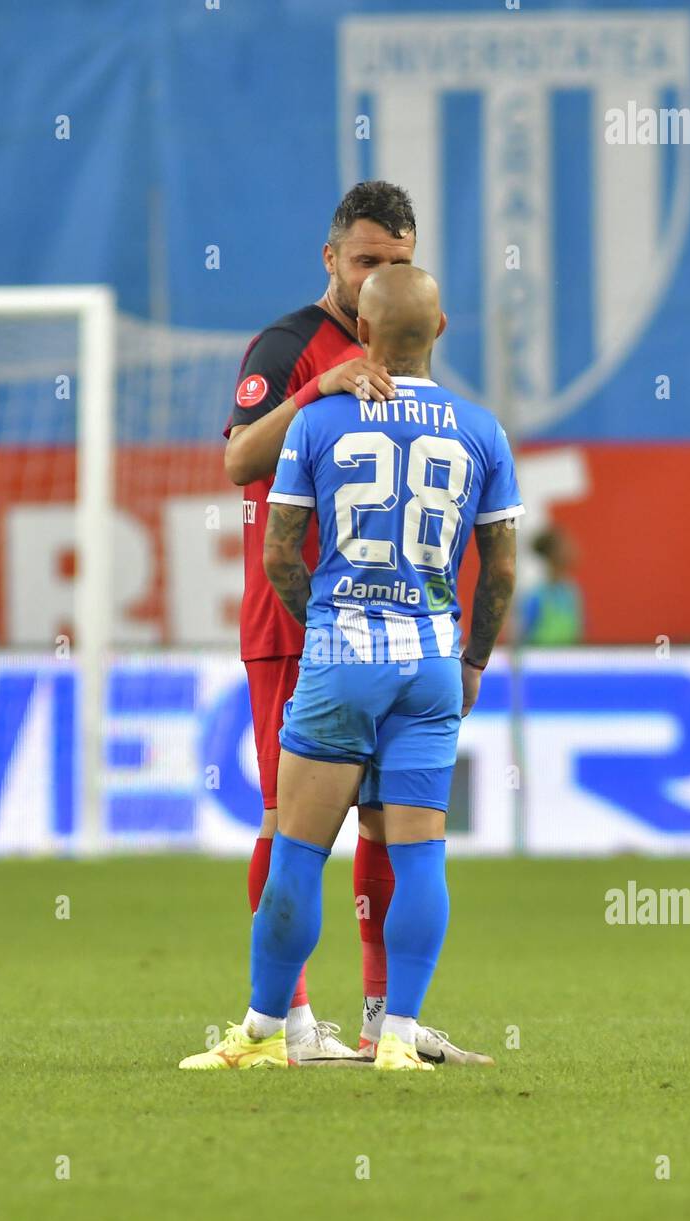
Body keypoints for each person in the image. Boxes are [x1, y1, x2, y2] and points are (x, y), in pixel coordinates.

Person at [180, 264, 523, 1072]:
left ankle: (266, 1034)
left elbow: (277, 554)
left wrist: (326, 630)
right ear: (440, 332)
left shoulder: (320, 423)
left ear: (361, 337)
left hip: (342, 656)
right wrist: (471, 659)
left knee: (298, 849)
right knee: (417, 853)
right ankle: (397, 1035)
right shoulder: (482, 429)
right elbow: (502, 570)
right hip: (433, 663)